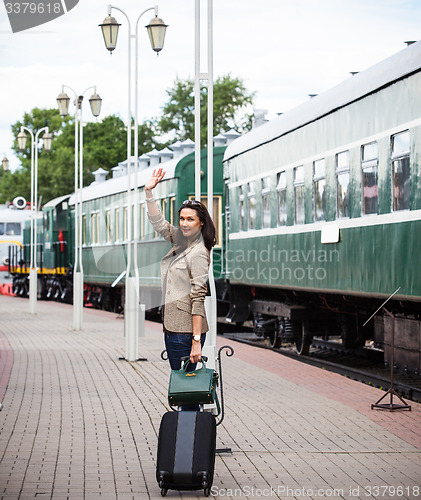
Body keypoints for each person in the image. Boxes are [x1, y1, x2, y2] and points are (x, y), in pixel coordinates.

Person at [145, 167, 216, 402]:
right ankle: (188, 433)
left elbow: (198, 297)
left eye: (190, 219)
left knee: (186, 389)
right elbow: (160, 224)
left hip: (184, 333)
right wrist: (149, 192)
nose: (184, 224)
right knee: (183, 386)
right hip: (174, 329)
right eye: (182, 219)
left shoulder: (197, 252)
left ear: (201, 223)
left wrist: (196, 342)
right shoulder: (183, 242)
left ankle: (189, 435)